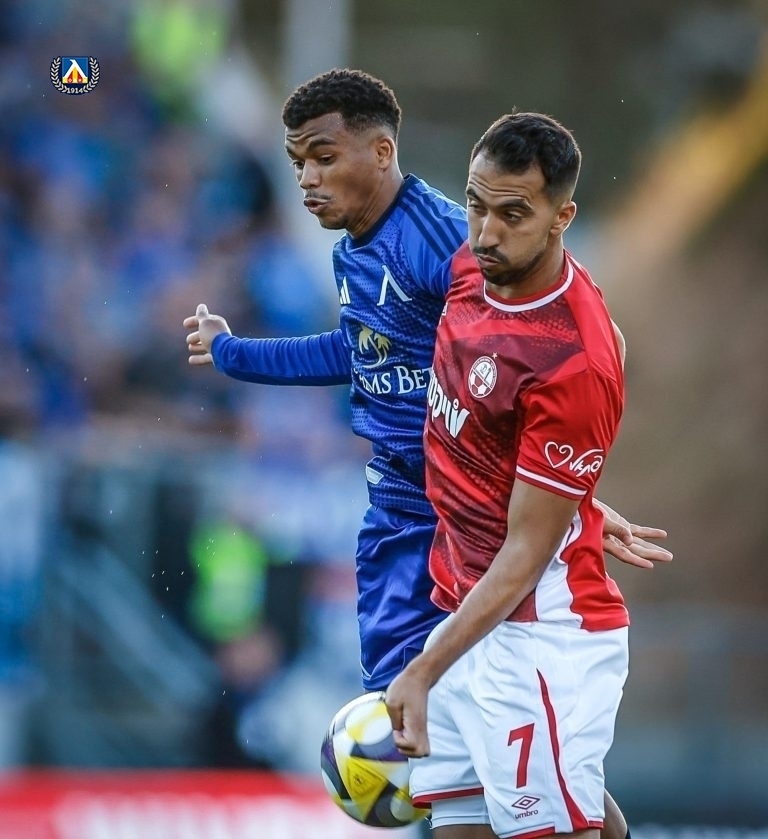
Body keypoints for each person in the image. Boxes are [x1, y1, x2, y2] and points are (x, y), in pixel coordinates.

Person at [184, 69, 670, 839]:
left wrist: (566, 491)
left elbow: (568, 361)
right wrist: (234, 353)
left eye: (323, 157)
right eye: (297, 161)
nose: (307, 178)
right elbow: (359, 352)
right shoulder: (360, 252)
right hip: (411, 518)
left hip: (463, 540)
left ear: (381, 152)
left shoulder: (450, 246)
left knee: (516, 769)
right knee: (467, 779)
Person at [384, 111, 634, 839]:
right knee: (474, 824)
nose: (487, 232)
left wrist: (423, 669)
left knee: (557, 824)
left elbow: (525, 556)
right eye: (477, 205)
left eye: (513, 215)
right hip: (466, 611)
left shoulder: (572, 362)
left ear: (562, 218)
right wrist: (567, 490)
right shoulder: (476, 266)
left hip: (538, 630)